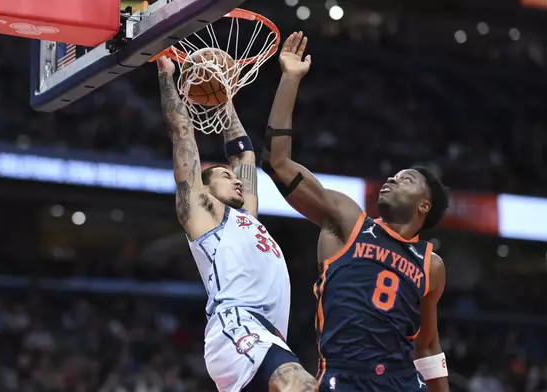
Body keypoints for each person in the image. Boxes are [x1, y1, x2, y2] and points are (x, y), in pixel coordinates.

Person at [262, 32, 450, 392]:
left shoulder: (432, 265)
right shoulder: (347, 221)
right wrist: (289, 78)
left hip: (402, 383)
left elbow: (426, 344)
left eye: (405, 179)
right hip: (345, 379)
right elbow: (279, 163)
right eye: (393, 176)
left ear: (424, 206)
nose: (391, 180)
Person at [156, 55, 317, 392]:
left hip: (266, 333)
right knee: (299, 384)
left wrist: (223, 97)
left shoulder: (247, 217)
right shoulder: (201, 214)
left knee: (305, 385)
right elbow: (182, 133)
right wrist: (166, 75)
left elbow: (243, 155)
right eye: (226, 177)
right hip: (237, 323)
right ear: (206, 188)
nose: (237, 180)